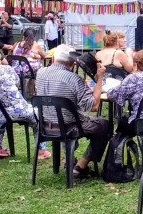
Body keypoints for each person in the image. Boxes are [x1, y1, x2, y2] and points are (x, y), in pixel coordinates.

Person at [35, 44, 109, 180]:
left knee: (66, 117)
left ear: (53, 59)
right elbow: (93, 106)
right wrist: (99, 79)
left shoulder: (40, 73)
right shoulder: (74, 79)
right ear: (72, 62)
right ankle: (80, 166)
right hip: (69, 127)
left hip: (45, 125)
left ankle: (69, 160)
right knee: (104, 125)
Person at [0, 41, 48, 159]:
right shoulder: (6, 70)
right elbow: (17, 84)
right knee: (39, 115)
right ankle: (41, 150)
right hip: (13, 111)